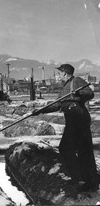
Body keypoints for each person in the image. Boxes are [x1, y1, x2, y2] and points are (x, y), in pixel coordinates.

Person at [32, 64, 98, 192]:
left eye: (59, 73)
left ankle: (83, 180)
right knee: (75, 149)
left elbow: (90, 94)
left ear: (65, 73)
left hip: (78, 116)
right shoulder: (64, 88)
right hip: (72, 118)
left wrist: (78, 92)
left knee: (76, 149)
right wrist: (41, 111)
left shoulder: (76, 81)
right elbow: (57, 104)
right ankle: (85, 180)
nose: (58, 75)